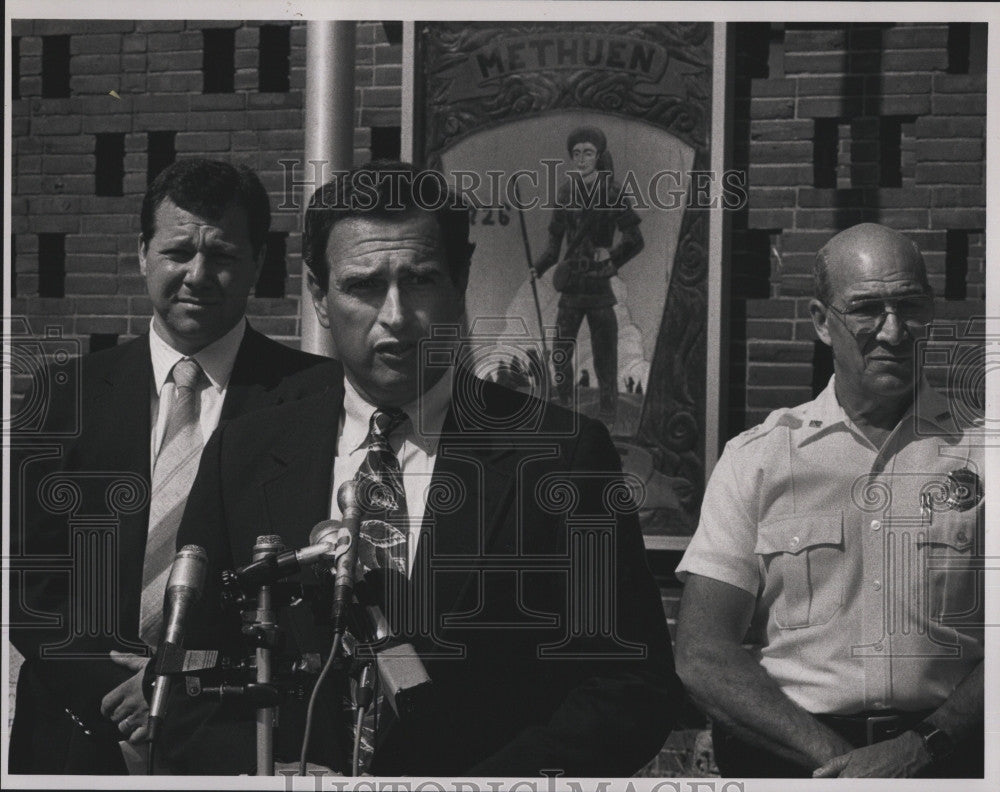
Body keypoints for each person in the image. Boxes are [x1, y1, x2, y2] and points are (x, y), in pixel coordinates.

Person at [156, 162, 678, 776]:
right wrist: (272, 770)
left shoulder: (563, 455)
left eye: (422, 280)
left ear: (462, 279)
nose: (397, 316)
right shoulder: (242, 453)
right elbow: (186, 678)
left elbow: (628, 688)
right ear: (319, 297)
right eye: (363, 287)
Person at [9, 159, 338, 774]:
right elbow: (29, 588)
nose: (198, 274)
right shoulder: (62, 397)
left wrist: (180, 686)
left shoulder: (314, 398)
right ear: (141, 254)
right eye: (178, 251)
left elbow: (310, 597)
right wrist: (116, 701)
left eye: (222, 255)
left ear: (258, 264)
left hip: (239, 735)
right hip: (75, 733)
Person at [675, 223, 984, 778]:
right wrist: (841, 765)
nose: (892, 330)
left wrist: (919, 748)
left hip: (954, 758)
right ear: (822, 321)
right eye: (866, 309)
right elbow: (702, 652)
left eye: (909, 305)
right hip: (793, 761)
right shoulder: (759, 459)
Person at [531, 126, 644, 427]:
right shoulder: (566, 192)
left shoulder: (612, 191)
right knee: (560, 351)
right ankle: (565, 403)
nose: (582, 159)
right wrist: (539, 266)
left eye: (588, 153)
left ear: (598, 155)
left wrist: (612, 258)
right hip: (571, 284)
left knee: (605, 352)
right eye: (577, 153)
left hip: (598, 283)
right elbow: (555, 242)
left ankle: (608, 412)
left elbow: (635, 238)